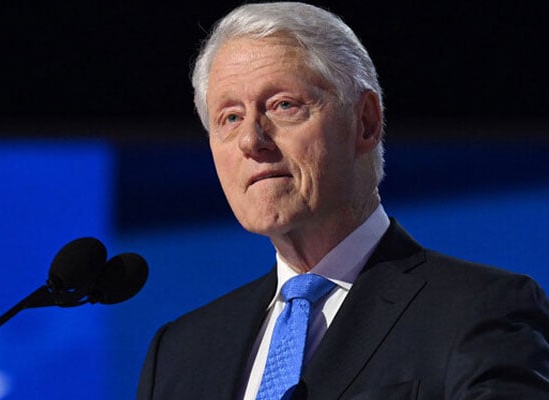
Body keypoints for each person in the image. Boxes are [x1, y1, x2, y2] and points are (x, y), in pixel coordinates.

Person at [137, 2, 549, 399]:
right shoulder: (179, 354)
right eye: (229, 117)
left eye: (283, 106)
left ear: (366, 122)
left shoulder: (478, 312)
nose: (250, 140)